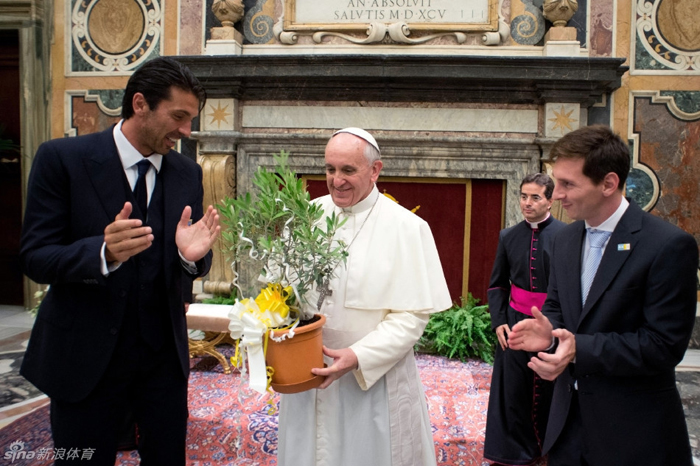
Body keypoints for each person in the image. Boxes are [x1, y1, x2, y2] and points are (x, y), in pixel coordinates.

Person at [19, 56, 221, 465]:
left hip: (162, 361)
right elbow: (36, 257)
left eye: (191, 120)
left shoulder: (187, 173)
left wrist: (190, 259)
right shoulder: (62, 159)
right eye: (179, 117)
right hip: (85, 356)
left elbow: (192, 260)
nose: (186, 132)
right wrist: (100, 253)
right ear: (141, 104)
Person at [508, 124, 697, 466]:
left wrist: (579, 348)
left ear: (608, 183)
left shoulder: (668, 246)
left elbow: (663, 346)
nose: (556, 194)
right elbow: (559, 308)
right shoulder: (564, 240)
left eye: (568, 184)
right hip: (567, 430)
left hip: (634, 436)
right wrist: (549, 334)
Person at [277, 128, 452, 466]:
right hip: (308, 375)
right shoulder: (304, 219)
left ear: (375, 170)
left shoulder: (407, 228)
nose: (336, 180)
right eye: (330, 169)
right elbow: (282, 296)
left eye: (348, 170)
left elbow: (411, 316)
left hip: (371, 381)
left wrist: (357, 356)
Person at [484, 173, 564, 465]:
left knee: (549, 391)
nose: (527, 203)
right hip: (515, 323)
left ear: (550, 200)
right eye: (523, 196)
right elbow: (497, 284)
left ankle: (548, 449)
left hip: (553, 324)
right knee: (513, 392)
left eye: (535, 197)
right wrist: (499, 321)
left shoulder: (567, 236)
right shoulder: (508, 236)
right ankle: (513, 452)